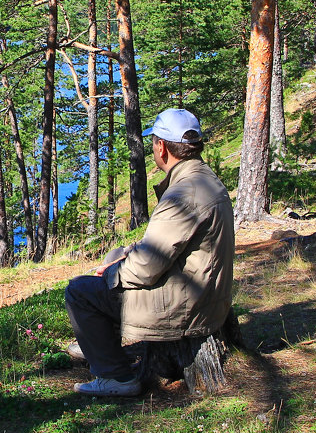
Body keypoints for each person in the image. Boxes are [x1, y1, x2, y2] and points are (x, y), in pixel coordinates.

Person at [65, 108, 235, 396]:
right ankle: (99, 345)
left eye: (154, 142)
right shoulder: (202, 178)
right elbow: (170, 243)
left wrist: (112, 275)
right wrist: (123, 255)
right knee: (114, 256)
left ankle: (117, 378)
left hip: (187, 306)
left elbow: (146, 266)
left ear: (161, 147)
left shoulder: (184, 194)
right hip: (205, 295)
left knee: (80, 291)